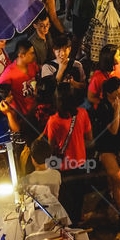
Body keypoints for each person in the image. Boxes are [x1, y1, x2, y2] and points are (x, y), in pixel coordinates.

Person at [42, 87, 94, 223]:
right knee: (79, 196)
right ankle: (78, 220)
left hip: (64, 167)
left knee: (66, 199)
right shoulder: (82, 113)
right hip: (81, 163)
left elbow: (52, 146)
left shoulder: (53, 121)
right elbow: (89, 137)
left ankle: (69, 224)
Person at [93, 77, 120, 225]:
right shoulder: (103, 108)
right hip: (105, 147)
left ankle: (111, 195)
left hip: (119, 145)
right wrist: (116, 109)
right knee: (118, 179)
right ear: (110, 93)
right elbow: (114, 130)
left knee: (113, 182)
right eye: (119, 90)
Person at [0, 39, 40, 116]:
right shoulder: (9, 73)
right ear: (21, 55)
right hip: (24, 115)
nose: (34, 55)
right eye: (31, 53)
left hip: (36, 108)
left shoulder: (32, 64)